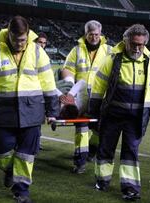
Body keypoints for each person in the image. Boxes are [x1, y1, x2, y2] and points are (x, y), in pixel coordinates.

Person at [0, 16, 59, 203]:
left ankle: (21, 191)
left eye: (23, 40)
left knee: (26, 154)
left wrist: (53, 111)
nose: (19, 43)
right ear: (9, 34)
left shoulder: (38, 52)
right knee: (1, 149)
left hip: (32, 111)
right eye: (16, 39)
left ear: (28, 35)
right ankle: (9, 169)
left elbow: (48, 82)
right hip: (5, 112)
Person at [88, 24, 150, 201]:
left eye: (141, 45)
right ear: (125, 41)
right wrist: (93, 109)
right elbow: (99, 84)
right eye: (134, 44)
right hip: (112, 115)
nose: (137, 48)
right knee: (106, 148)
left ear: (145, 43)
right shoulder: (113, 59)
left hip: (136, 117)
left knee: (131, 151)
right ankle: (102, 181)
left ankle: (130, 188)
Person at [61, 20, 112, 173]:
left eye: (97, 34)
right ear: (86, 34)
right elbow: (67, 69)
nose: (94, 37)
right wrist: (70, 89)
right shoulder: (76, 50)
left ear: (101, 33)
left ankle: (91, 151)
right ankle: (80, 162)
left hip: (101, 97)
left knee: (99, 129)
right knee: (81, 127)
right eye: (91, 35)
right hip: (81, 97)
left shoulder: (109, 50)